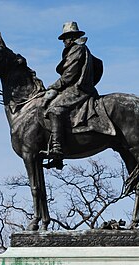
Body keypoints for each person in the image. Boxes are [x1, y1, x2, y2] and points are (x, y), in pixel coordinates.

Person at [42, 21, 103, 169]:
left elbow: (69, 75)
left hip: (78, 89)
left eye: (66, 37)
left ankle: (57, 148)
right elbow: (98, 66)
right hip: (82, 87)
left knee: (54, 109)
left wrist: (54, 88)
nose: (64, 41)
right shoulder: (80, 49)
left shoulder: (77, 49)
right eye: (64, 38)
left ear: (73, 37)